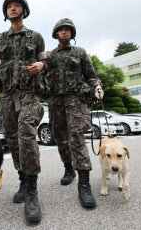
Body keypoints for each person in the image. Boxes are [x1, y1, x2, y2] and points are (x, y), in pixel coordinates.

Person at [0, 0, 47, 224]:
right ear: (6, 12)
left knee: (26, 133)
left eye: (18, 6)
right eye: (10, 6)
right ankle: (23, 179)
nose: (13, 9)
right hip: (7, 94)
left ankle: (32, 192)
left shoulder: (36, 36)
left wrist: (41, 65)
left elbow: (44, 60)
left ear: (24, 10)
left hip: (29, 93)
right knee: (11, 137)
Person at [44, 18, 104, 208]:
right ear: (56, 33)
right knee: (60, 138)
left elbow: (90, 75)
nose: (64, 32)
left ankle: (84, 184)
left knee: (77, 138)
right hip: (54, 102)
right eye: (61, 30)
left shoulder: (80, 52)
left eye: (67, 30)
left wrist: (97, 86)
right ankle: (68, 169)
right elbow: (39, 74)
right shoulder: (48, 55)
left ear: (72, 34)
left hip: (74, 100)